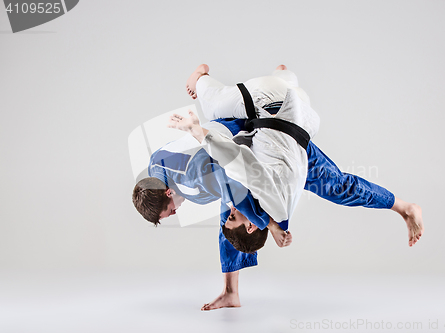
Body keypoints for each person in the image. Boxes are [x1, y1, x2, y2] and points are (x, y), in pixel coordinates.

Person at [133, 64, 424, 311]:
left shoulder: (196, 177)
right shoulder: (155, 167)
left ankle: (404, 207)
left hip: (268, 136)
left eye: (169, 212)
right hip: (240, 112)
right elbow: (229, 183)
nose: (174, 214)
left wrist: (270, 224)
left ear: (169, 193)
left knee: (335, 187)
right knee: (230, 213)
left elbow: (236, 173)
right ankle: (231, 292)